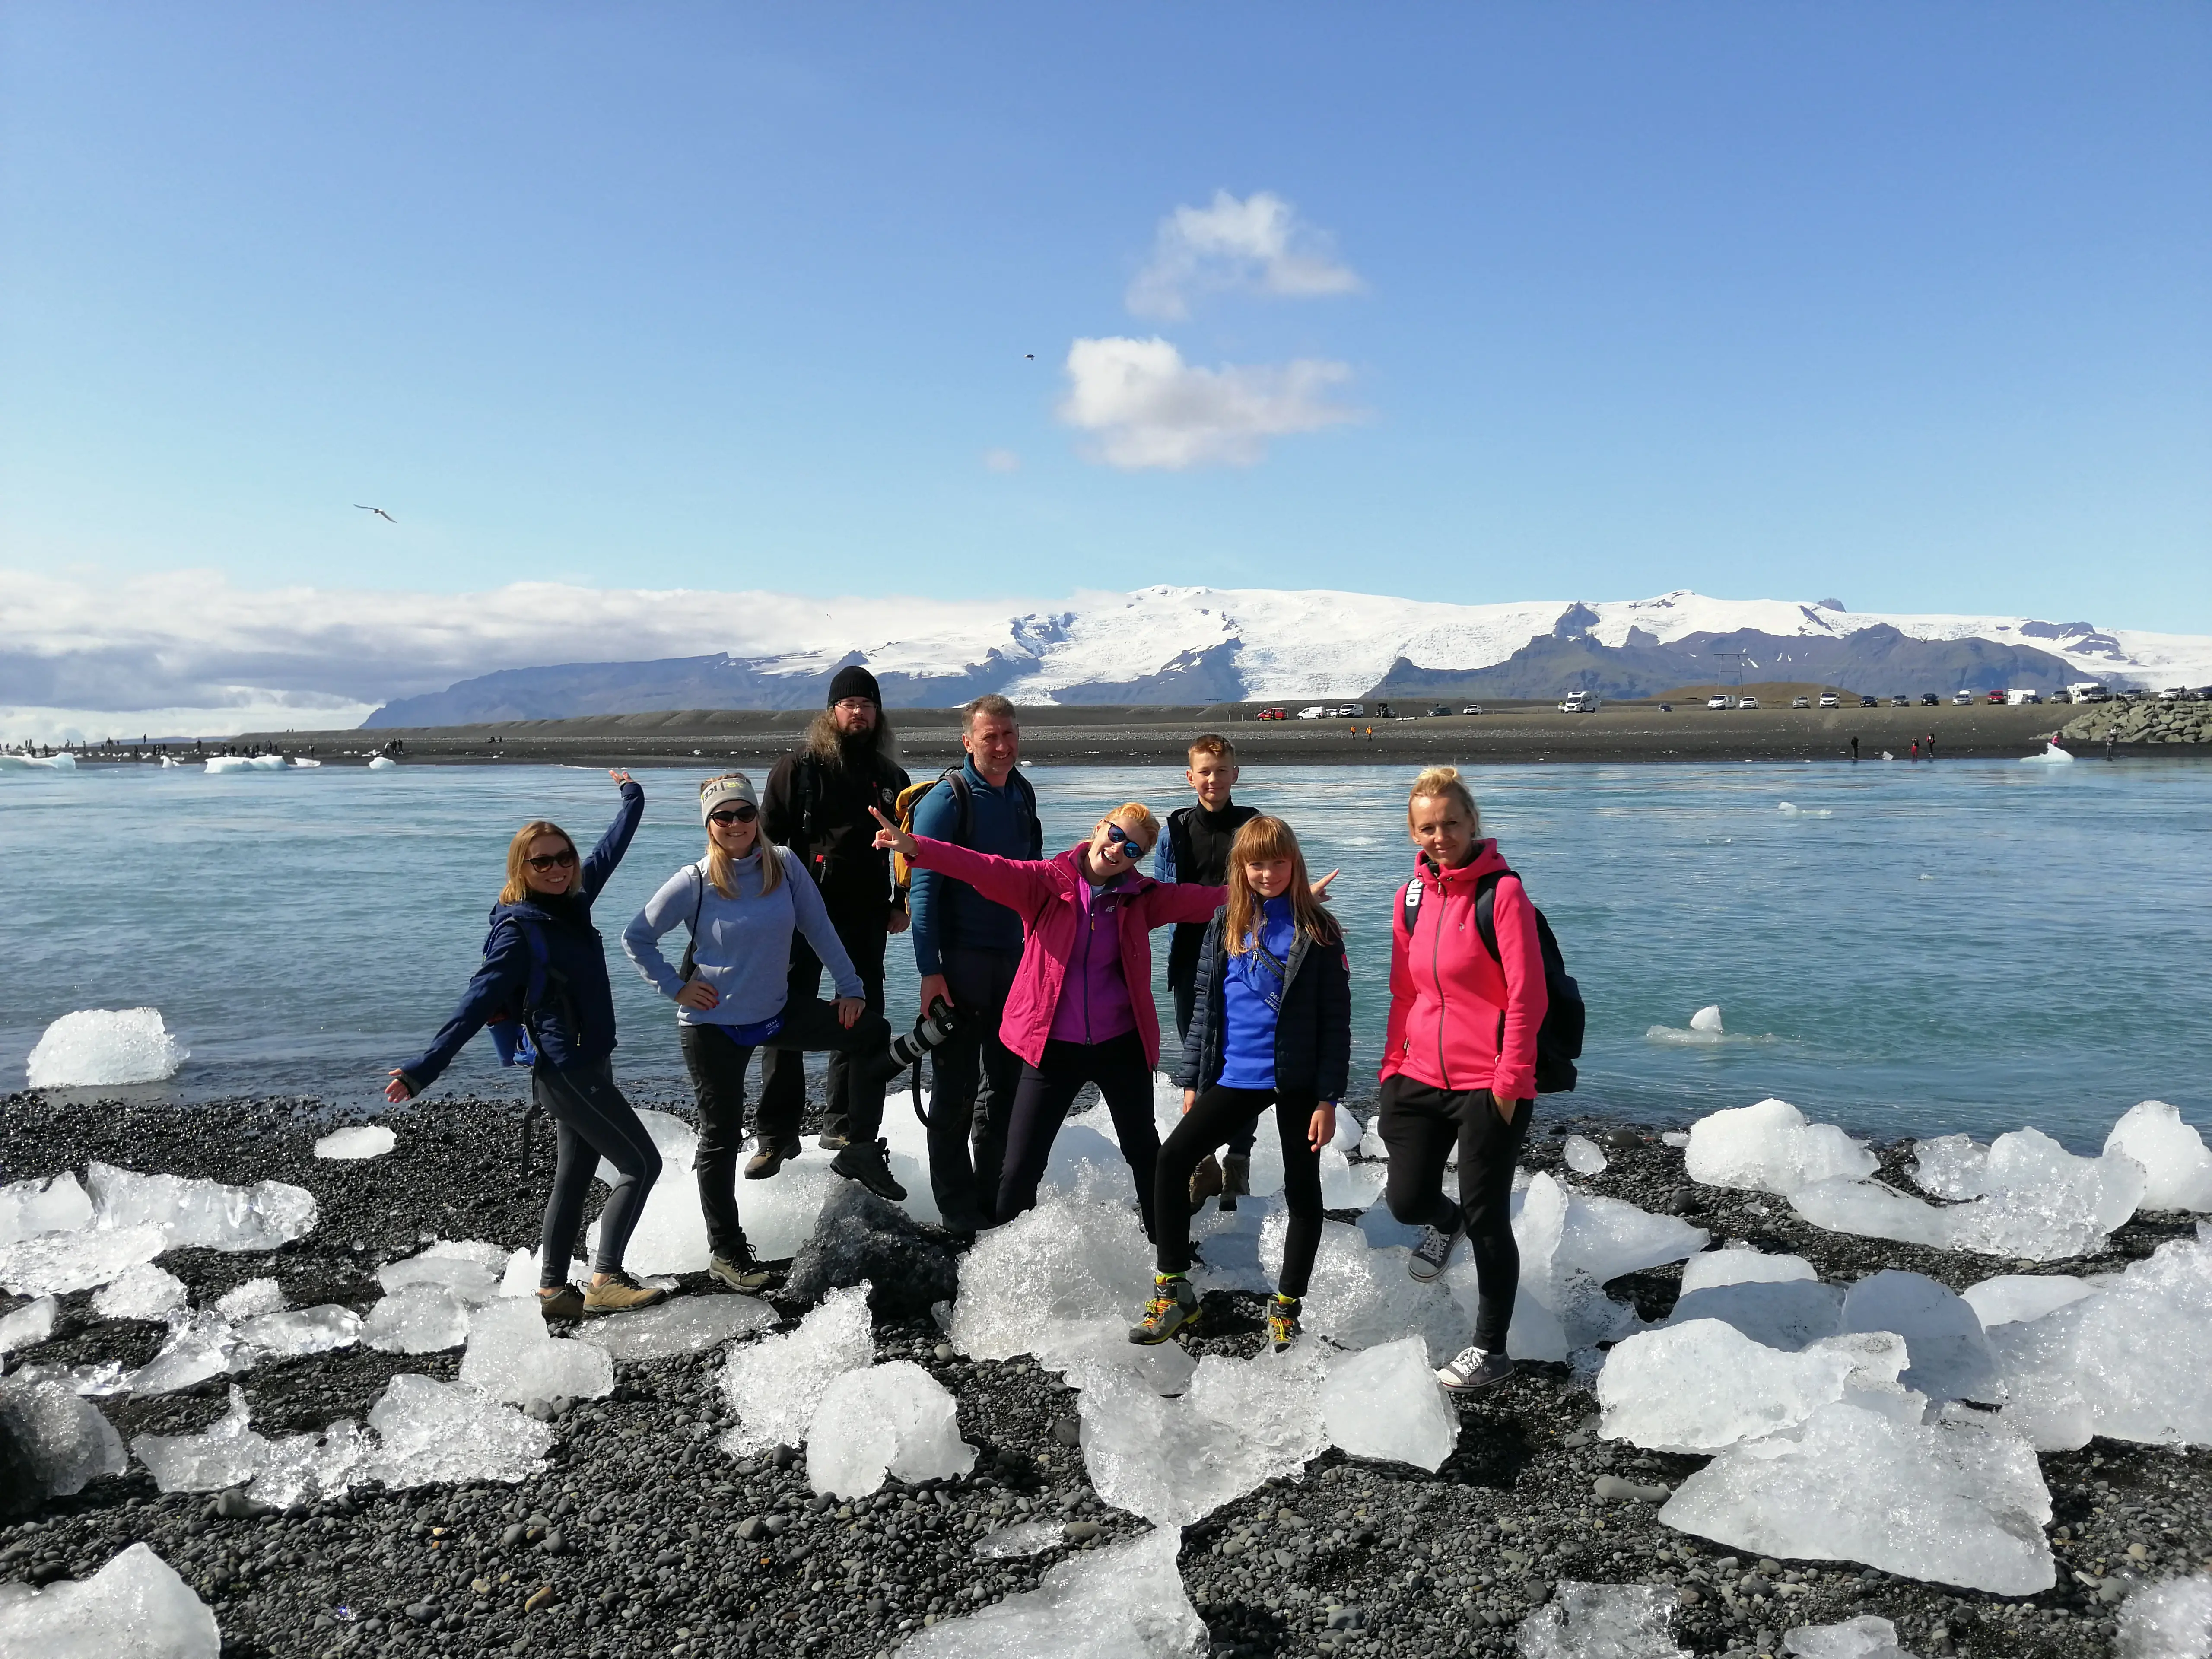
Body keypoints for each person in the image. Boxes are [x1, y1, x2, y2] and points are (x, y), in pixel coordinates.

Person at [385, 771, 667, 1320]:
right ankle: (605, 1278)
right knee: (641, 1165)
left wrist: (633, 796)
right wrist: (424, 1069)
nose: (558, 868)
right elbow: (475, 1003)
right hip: (566, 1071)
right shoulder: (519, 931)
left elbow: (612, 848)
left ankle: (554, 1291)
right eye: (542, 862)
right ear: (522, 869)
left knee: (574, 1177)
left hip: (589, 1062)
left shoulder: (573, 900)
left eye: (564, 857)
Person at [871, 800, 1223, 1237]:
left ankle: (1168, 1256)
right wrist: (915, 847)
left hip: (1121, 1047)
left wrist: (1283, 893)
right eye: (1115, 836)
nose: (1117, 851)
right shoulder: (1044, 883)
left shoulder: (1141, 898)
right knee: (1019, 1166)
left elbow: (1206, 901)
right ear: (1099, 829)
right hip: (1052, 1048)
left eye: (1132, 850)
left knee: (1144, 1153)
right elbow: (982, 867)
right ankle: (1002, 1263)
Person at [623, 774, 903, 1291]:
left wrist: (851, 989)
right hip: (712, 1028)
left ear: (757, 817)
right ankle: (727, 1254)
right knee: (721, 1137)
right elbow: (636, 936)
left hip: (775, 1015)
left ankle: (859, 1146)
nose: (735, 825)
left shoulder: (786, 865)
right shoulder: (696, 879)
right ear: (709, 824)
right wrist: (675, 988)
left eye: (744, 814)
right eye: (722, 817)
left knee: (870, 1032)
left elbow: (818, 928)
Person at [1134, 816, 1350, 1352]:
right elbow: (1207, 1010)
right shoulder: (1225, 925)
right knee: (1171, 1160)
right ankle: (1173, 1288)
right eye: (1256, 862)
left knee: (1303, 1194)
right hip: (1237, 1077)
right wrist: (1194, 1080)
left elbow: (1335, 1022)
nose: (1268, 872)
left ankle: (1286, 1308)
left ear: (1293, 864)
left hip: (1297, 1081)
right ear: (1241, 867)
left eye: (1279, 862)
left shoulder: (1317, 930)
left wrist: (1328, 1098)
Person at [1377, 766, 1548, 1393]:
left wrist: (1509, 1082)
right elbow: (1403, 992)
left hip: (1488, 1083)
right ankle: (1439, 1223)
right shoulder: (1410, 898)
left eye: (1451, 823)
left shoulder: (1501, 893)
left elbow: (1528, 997)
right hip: (1418, 1075)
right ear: (1413, 833)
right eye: (1428, 827)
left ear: (1473, 821)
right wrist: (1393, 1066)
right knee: (1406, 1200)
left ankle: (1490, 1351)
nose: (1441, 836)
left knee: (1488, 1218)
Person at [756, 667, 912, 1165]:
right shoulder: (797, 769)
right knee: (781, 1013)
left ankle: (844, 1126)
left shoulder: (892, 779)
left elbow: (910, 851)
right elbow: (761, 843)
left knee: (861, 1013)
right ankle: (777, 1135)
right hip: (798, 913)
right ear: (831, 712)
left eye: (867, 705)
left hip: (865, 914)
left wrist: (901, 900)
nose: (859, 713)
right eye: (849, 705)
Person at [906, 695, 1042, 1234]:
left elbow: (1034, 877)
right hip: (960, 965)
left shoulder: (1021, 794)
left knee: (1005, 1085)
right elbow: (923, 890)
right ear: (968, 741)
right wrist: (929, 972)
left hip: (1014, 962)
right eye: (990, 737)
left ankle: (994, 1197)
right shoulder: (947, 800)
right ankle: (956, 1207)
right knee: (955, 1089)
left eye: (1009, 734)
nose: (1003, 746)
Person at [1155, 735, 1260, 1211]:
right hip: (1190, 960)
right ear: (1189, 776)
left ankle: (1237, 1164)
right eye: (1204, 771)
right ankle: (1203, 1165)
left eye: (1221, 770)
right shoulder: (1175, 827)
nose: (1213, 780)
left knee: (1240, 1066)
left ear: (1234, 774)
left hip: (1247, 961)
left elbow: (1275, 885)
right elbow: (1156, 896)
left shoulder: (1253, 825)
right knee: (1197, 1066)